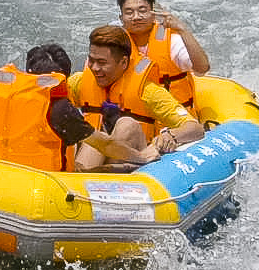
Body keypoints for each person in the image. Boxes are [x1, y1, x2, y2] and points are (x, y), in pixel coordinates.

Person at [66, 24, 205, 171]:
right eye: (91, 61)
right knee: (92, 133)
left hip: (133, 160)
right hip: (92, 161)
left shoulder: (147, 91)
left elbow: (195, 127)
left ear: (124, 62)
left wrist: (170, 136)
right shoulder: (79, 82)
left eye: (102, 63)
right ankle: (79, 181)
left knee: (127, 124)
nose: (94, 68)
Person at [0, 43, 129, 172]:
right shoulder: (59, 107)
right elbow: (105, 145)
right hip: (48, 182)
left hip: (0, 173)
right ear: (62, 78)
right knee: (97, 142)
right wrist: (142, 156)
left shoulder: (8, 98)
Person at [114, 0, 210, 108]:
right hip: (131, 119)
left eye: (142, 11)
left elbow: (202, 69)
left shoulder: (171, 41)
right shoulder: (114, 43)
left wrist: (182, 30)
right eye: (129, 12)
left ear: (153, 13)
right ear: (121, 18)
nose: (136, 17)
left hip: (175, 121)